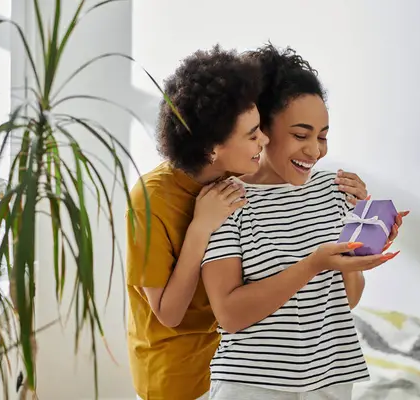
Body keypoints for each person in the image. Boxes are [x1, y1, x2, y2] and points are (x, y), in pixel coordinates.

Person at [125, 45, 374, 400]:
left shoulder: (244, 178)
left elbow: (340, 297)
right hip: (178, 374)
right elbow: (174, 313)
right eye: (254, 134)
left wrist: (359, 227)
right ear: (215, 147)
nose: (263, 141)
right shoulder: (171, 199)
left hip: (245, 366)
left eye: (322, 136)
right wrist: (200, 229)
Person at [201, 44, 408, 400]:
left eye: (322, 136)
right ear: (261, 129)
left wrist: (360, 245)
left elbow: (348, 299)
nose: (315, 151)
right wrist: (312, 265)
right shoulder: (225, 201)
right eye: (301, 135)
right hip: (252, 386)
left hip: (330, 381)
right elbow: (230, 315)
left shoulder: (334, 189)